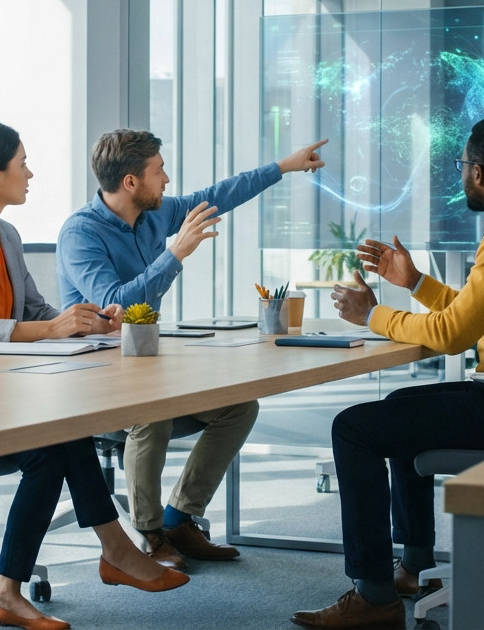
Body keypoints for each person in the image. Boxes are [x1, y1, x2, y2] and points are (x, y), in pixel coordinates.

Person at [292, 117, 484, 629]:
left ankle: (374, 598)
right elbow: (479, 312)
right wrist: (414, 282)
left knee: (353, 429)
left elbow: (455, 334)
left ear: (477, 172)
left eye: (461, 167)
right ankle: (412, 565)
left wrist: (370, 316)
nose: (461, 176)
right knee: (398, 408)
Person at [0, 121, 188, 630]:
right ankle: (111, 552)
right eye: (22, 163)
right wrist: (51, 326)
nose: (30, 173)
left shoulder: (6, 235)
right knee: (58, 441)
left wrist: (86, 321)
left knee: (61, 434)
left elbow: (35, 309)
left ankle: (13, 590)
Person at [57, 128, 327, 570]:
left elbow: (218, 195)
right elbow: (118, 304)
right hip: (96, 375)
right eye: (158, 171)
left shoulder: (152, 216)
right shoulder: (80, 235)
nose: (167, 179)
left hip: (144, 362)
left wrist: (283, 166)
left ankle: (179, 517)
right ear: (130, 182)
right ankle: (149, 533)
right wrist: (175, 253)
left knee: (238, 405)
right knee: (155, 408)